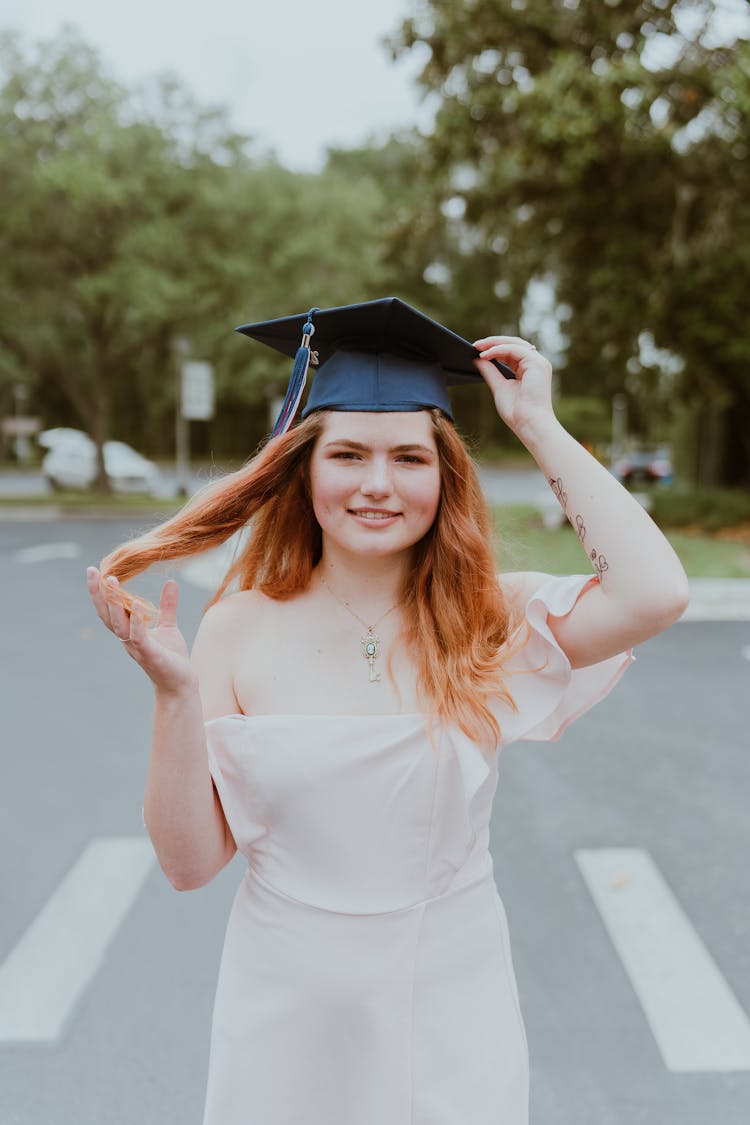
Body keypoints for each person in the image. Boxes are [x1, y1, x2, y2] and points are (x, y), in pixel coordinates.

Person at [86, 297, 689, 1125]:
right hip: (285, 1014)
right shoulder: (237, 627)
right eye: (349, 454)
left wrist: (539, 427)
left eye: (410, 457)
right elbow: (190, 863)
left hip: (452, 1000)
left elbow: (656, 592)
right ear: (305, 468)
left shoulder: (488, 620)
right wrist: (175, 692)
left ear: (444, 477)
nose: (378, 484)